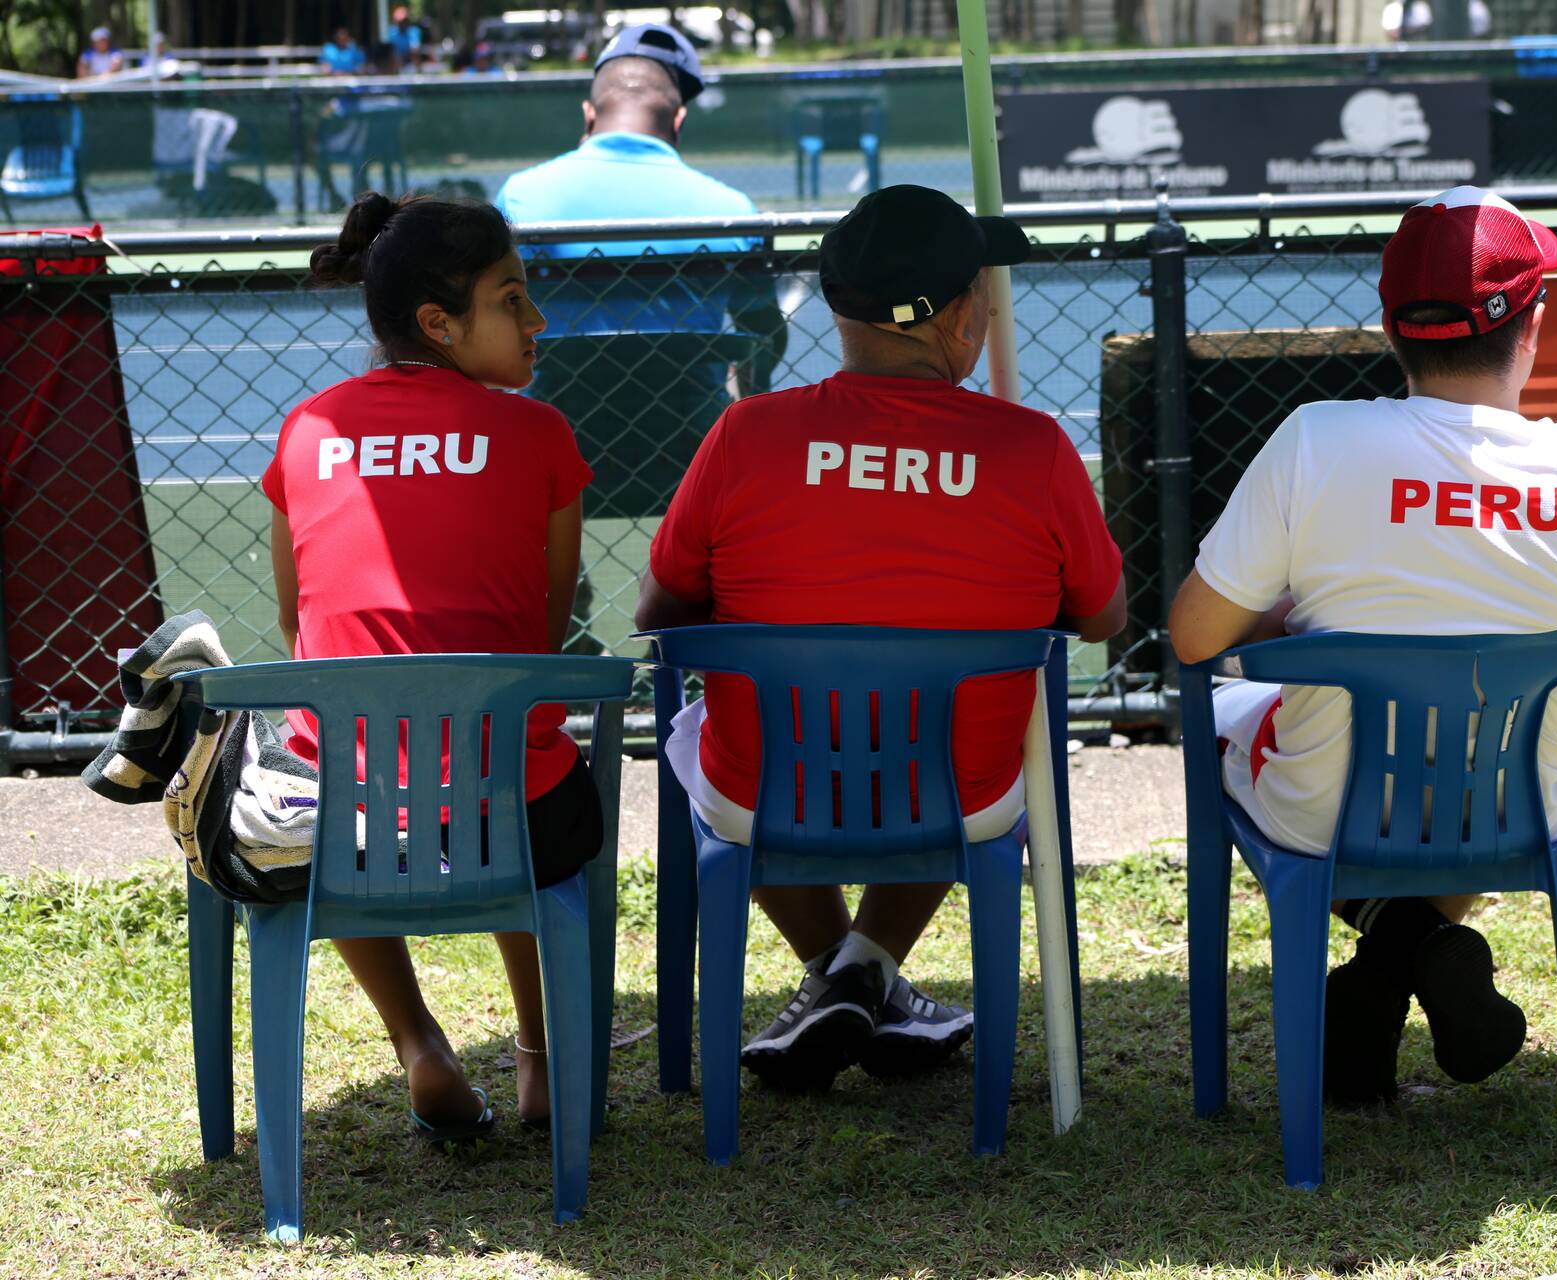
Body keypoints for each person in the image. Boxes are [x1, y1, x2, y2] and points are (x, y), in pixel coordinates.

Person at [1167, 186, 1557, 1108]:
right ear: (1533, 325)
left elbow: (1194, 634)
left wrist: (1296, 608)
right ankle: (1404, 951)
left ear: (1390, 327)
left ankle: (1394, 952)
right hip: (1516, 805)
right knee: (1473, 738)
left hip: (1329, 807)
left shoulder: (1315, 441)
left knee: (1231, 713)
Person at [635, 184, 1127, 1091]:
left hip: (766, 792)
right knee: (971, 730)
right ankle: (864, 972)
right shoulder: (1035, 449)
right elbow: (1102, 619)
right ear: (960, 318)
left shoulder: (745, 434)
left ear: (837, 308)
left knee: (692, 733)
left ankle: (843, 976)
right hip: (959, 794)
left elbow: (657, 613)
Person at [264, 192, 598, 1139]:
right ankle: (539, 1061)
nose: (537, 322)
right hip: (517, 812)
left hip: (349, 821)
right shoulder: (539, 434)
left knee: (327, 781)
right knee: (507, 753)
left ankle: (419, 1049)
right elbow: (541, 625)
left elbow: (297, 621)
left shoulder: (307, 432)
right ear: (439, 323)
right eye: (513, 299)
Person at [495, 23, 787, 654]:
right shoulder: (730, 205)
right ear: (678, 118)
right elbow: (764, 331)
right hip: (688, 449)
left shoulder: (524, 196)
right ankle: (697, 649)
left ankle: (568, 642)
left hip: (557, 454)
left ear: (588, 113)